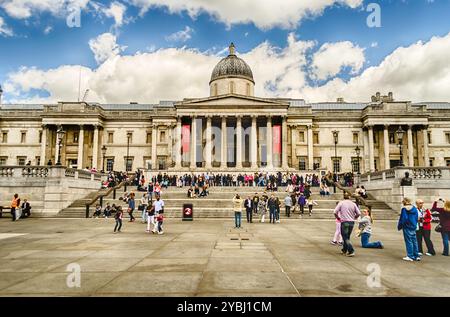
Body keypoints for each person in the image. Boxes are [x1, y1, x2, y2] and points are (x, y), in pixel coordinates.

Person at [397, 197, 420, 261]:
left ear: (404, 202)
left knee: (408, 241)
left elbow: (404, 218)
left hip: (407, 226)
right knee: (414, 241)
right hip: (413, 226)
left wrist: (400, 225)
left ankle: (410, 256)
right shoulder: (414, 208)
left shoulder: (404, 209)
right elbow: (416, 218)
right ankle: (416, 255)